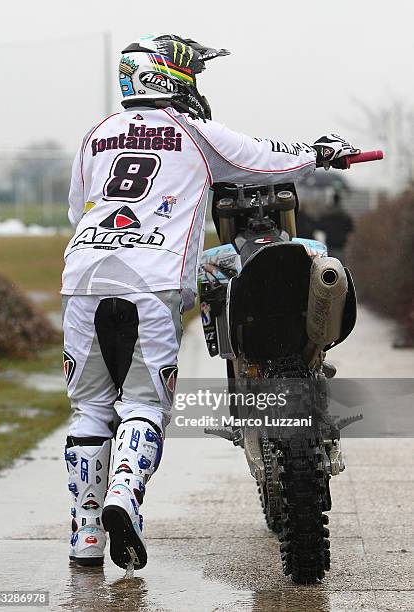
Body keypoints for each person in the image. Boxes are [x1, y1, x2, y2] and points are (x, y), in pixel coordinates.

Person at [62, 33, 359, 570]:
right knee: (143, 405)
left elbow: (75, 208)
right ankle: (123, 499)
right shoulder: (191, 132)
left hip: (82, 276)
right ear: (170, 78)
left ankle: (84, 535)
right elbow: (267, 161)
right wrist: (320, 152)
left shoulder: (97, 134)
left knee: (89, 409)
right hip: (150, 282)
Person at [317, 191, 354, 262]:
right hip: (340, 245)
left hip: (330, 244)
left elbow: (320, 226)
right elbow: (350, 228)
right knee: (340, 266)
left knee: (330, 265)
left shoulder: (327, 215)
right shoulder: (344, 216)